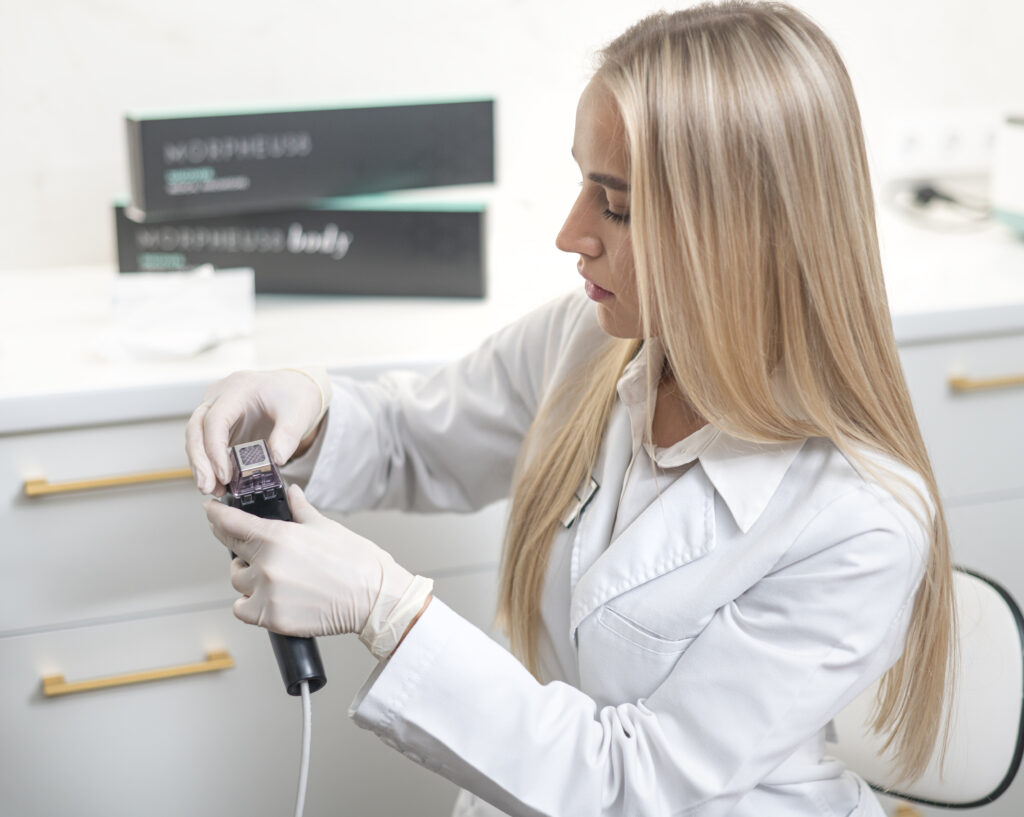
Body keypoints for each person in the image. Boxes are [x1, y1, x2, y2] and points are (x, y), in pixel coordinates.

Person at [186, 3, 956, 815]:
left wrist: (389, 609)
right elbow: (414, 438)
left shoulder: (861, 520)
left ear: (740, 231)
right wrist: (307, 403)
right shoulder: (591, 342)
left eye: (616, 206)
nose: (570, 233)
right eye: (583, 184)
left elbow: (629, 784)